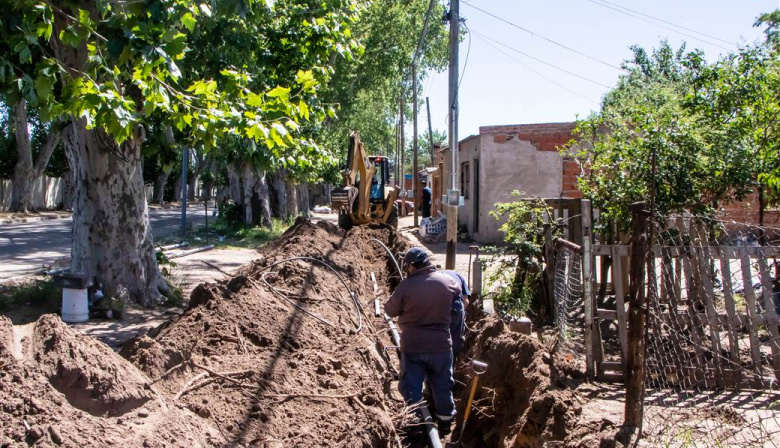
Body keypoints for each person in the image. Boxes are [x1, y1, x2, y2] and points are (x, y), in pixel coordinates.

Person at [384, 247, 461, 426]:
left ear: (411, 266)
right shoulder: (447, 280)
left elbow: (389, 310)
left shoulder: (406, 286)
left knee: (411, 385)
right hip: (441, 346)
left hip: (413, 346)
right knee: (442, 384)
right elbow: (459, 299)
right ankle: (446, 419)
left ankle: (414, 422)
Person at [443, 270, 470, 360]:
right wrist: (461, 316)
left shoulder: (434, 276)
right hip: (455, 307)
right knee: (455, 337)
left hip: (437, 308)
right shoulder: (459, 276)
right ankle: (452, 362)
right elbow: (466, 301)